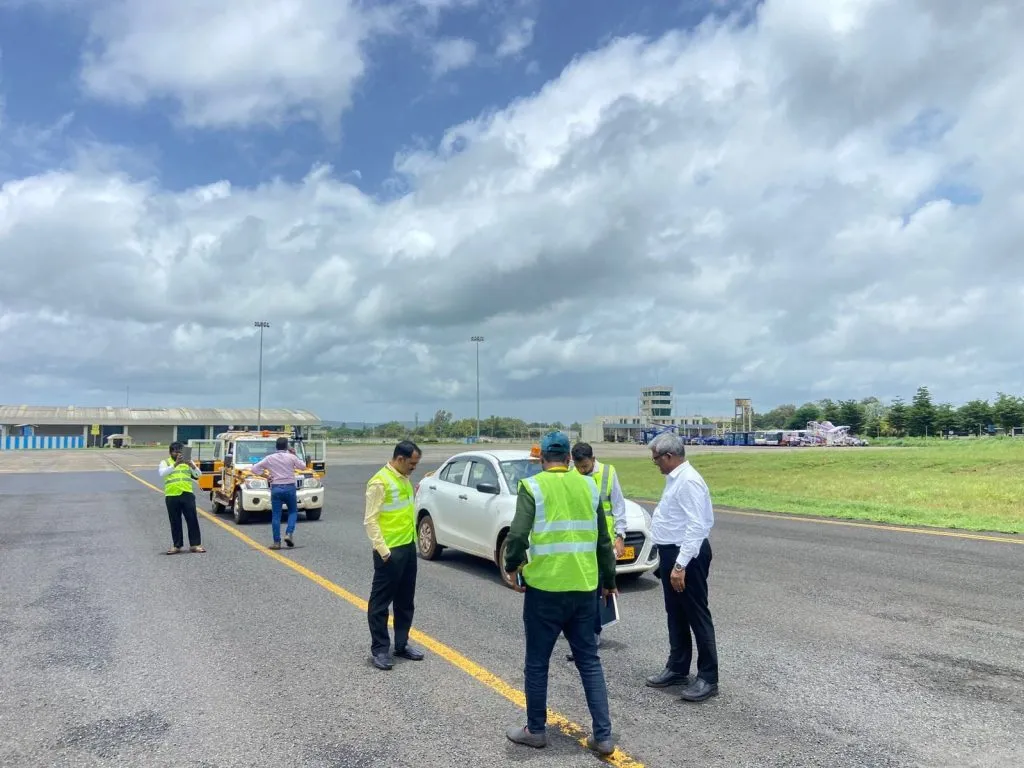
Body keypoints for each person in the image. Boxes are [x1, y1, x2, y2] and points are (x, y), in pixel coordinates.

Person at [503, 431, 618, 756]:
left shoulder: (533, 486)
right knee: (589, 662)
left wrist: (513, 566)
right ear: (568, 459)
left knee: (537, 663)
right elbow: (603, 541)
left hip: (545, 591)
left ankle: (535, 730)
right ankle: (603, 736)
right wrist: (608, 580)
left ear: (542, 460)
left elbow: (518, 535)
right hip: (584, 589)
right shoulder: (589, 485)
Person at [645, 431, 719, 702]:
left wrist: (680, 565)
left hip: (687, 556)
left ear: (669, 456)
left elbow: (697, 526)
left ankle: (708, 678)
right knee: (675, 614)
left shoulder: (688, 481)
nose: (656, 465)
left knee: (696, 614)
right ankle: (677, 668)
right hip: (672, 554)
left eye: (657, 460)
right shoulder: (675, 479)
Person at [364, 440, 425, 670]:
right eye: (412, 463)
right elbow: (370, 520)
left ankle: (401, 644)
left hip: (408, 547)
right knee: (380, 604)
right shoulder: (379, 482)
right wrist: (384, 551)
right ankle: (380, 650)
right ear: (400, 459)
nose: (413, 468)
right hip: (389, 552)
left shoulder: (404, 479)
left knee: (405, 601)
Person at [565, 441, 627, 661]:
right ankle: (585, 635)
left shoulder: (609, 473)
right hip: (580, 543)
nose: (582, 470)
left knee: (597, 590)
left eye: (585, 465)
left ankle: (592, 636)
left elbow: (618, 506)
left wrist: (620, 536)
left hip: (604, 543)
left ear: (593, 458)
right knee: (581, 589)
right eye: (578, 466)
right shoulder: (571, 475)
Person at [251, 436, 307, 549]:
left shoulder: (269, 458)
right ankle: (289, 533)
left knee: (276, 515)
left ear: (276, 446)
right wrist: (294, 454)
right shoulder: (291, 457)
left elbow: (254, 469)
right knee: (293, 511)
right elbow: (303, 467)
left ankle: (277, 542)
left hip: (276, 487)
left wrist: (266, 475)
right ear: (286, 446)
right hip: (290, 487)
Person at [158, 442, 205, 554]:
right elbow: (162, 473)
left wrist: (192, 466)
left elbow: (199, 475)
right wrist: (175, 464)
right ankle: (177, 545)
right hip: (172, 496)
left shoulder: (188, 462)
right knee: (175, 521)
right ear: (170, 452)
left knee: (192, 520)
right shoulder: (165, 462)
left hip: (187, 494)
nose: (178, 454)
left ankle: (195, 545)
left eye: (180, 451)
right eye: (175, 451)